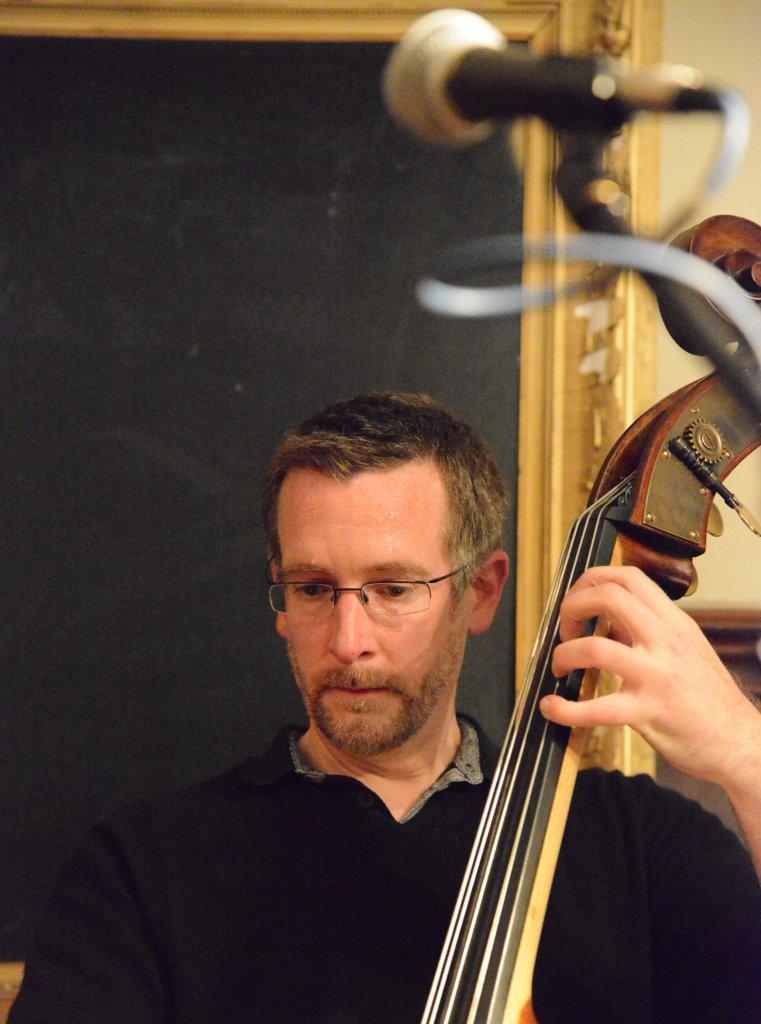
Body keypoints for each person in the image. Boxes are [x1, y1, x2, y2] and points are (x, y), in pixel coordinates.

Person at [10, 392, 761, 1024]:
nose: (348, 641)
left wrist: (744, 752)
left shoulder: (643, 848)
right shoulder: (140, 871)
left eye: (393, 590)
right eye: (313, 590)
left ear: (480, 591)